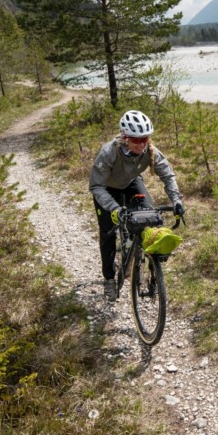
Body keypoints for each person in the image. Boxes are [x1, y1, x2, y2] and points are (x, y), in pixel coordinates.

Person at [90, 110, 184, 299]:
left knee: (150, 218)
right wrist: (114, 208)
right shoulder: (109, 152)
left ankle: (151, 270)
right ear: (125, 138)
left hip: (131, 183)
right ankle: (109, 278)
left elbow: (168, 175)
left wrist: (176, 200)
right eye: (136, 140)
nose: (141, 144)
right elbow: (96, 186)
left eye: (145, 139)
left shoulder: (150, 151)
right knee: (108, 233)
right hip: (106, 189)